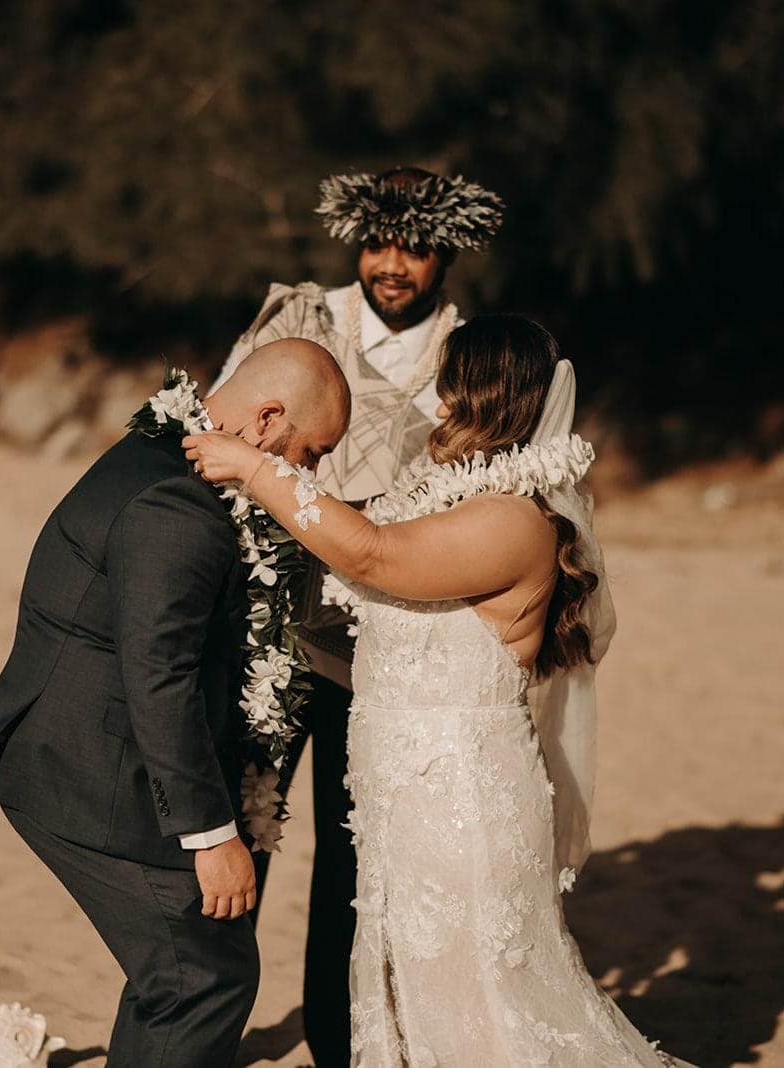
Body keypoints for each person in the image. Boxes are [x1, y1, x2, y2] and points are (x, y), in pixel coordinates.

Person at [186, 316, 692, 1066]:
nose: (436, 406)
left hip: (462, 802)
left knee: (477, 1000)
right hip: (402, 802)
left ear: (480, 397)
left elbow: (373, 553)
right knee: (420, 992)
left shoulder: (515, 522)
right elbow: (354, 549)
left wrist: (255, 468)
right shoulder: (445, 503)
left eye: (448, 391)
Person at [0, 339, 350, 1067]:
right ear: (266, 419)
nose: (312, 473)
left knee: (182, 965)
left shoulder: (168, 452)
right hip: (88, 767)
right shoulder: (181, 504)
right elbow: (159, 674)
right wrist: (212, 836)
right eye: (313, 451)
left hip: (91, 743)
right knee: (204, 976)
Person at [212, 166, 513, 1066]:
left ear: (445, 254)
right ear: (356, 242)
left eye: (415, 246)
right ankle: (202, 1023)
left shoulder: (472, 360)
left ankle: (339, 1041)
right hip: (267, 618)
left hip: (388, 632)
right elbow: (224, 432)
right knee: (242, 823)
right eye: (378, 242)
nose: (393, 263)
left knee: (356, 849)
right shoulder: (298, 324)